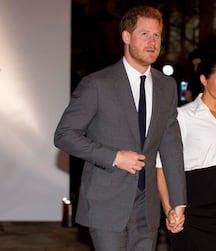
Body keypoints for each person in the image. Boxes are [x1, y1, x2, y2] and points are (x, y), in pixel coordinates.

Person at [54, 6, 186, 251]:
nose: (152, 41)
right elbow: (64, 135)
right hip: (106, 203)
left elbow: (171, 147)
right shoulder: (97, 84)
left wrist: (178, 201)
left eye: (157, 35)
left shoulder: (166, 86)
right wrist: (113, 157)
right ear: (126, 37)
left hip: (147, 207)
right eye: (145, 34)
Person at [157, 53, 216, 251]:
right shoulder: (183, 117)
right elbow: (161, 167)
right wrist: (169, 210)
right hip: (196, 215)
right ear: (203, 79)